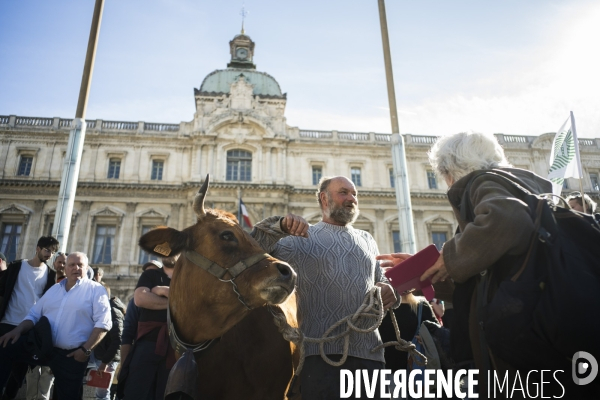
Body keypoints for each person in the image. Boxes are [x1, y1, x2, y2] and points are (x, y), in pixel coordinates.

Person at [380, 131, 558, 396]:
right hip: (539, 326)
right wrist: (425, 273)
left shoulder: (481, 182)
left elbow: (508, 219)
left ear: (451, 169)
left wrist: (449, 257)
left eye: (444, 176)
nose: (447, 185)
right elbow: (486, 279)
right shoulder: (523, 186)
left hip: (512, 339)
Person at [252, 175, 398, 400]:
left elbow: (383, 281)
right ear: (324, 198)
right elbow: (253, 254)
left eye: (354, 194)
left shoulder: (368, 239)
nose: (352, 199)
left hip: (372, 356)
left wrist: (391, 290)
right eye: (344, 193)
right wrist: (279, 226)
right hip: (319, 359)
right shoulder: (299, 239)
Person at [0, 252, 112, 400]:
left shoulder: (96, 290)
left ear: (86, 268)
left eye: (80, 265)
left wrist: (85, 350)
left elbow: (104, 323)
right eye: (72, 264)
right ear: (65, 268)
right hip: (44, 347)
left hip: (72, 355)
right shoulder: (54, 290)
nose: (76, 268)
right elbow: (33, 315)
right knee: (6, 344)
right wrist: (17, 331)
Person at [0, 236, 59, 400]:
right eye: (47, 250)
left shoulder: (50, 275)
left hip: (29, 328)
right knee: (2, 370)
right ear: (38, 248)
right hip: (7, 324)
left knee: (18, 376)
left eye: (53, 252)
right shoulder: (16, 267)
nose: (50, 255)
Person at [121, 257, 175, 399]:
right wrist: (176, 301)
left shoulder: (189, 277)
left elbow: (192, 304)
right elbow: (141, 299)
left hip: (177, 349)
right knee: (136, 393)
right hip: (147, 345)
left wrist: (159, 290)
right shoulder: (150, 275)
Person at [24, 252, 68, 400]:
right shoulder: (45, 279)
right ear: (54, 263)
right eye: (59, 262)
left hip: (54, 338)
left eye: (64, 263)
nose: (61, 265)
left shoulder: (70, 286)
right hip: (37, 334)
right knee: (32, 374)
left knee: (47, 379)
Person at [88, 292, 125, 400]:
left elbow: (117, 340)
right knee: (100, 393)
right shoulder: (102, 310)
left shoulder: (113, 312)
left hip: (107, 358)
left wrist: (104, 363)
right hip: (99, 355)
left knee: (102, 394)